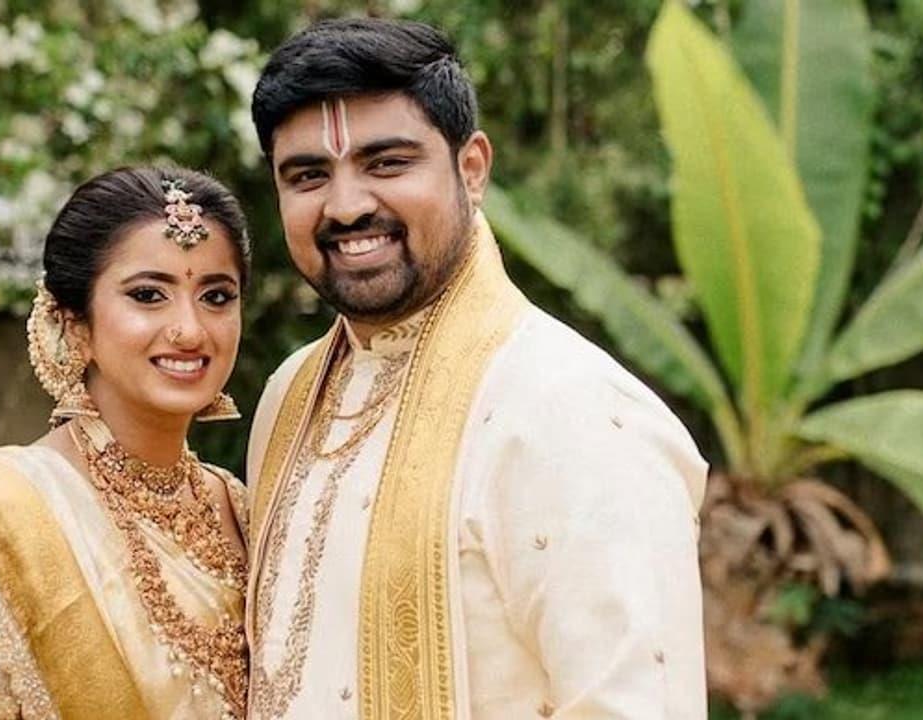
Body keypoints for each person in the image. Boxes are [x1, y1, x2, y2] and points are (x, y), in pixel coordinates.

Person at [245, 18, 708, 719]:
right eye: (308, 176)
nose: (346, 206)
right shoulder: (291, 393)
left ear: (472, 169)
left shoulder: (573, 409)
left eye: (386, 163)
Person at [0, 166, 252, 720]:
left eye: (216, 296)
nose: (190, 330)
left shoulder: (239, 509)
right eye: (148, 295)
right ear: (74, 326)